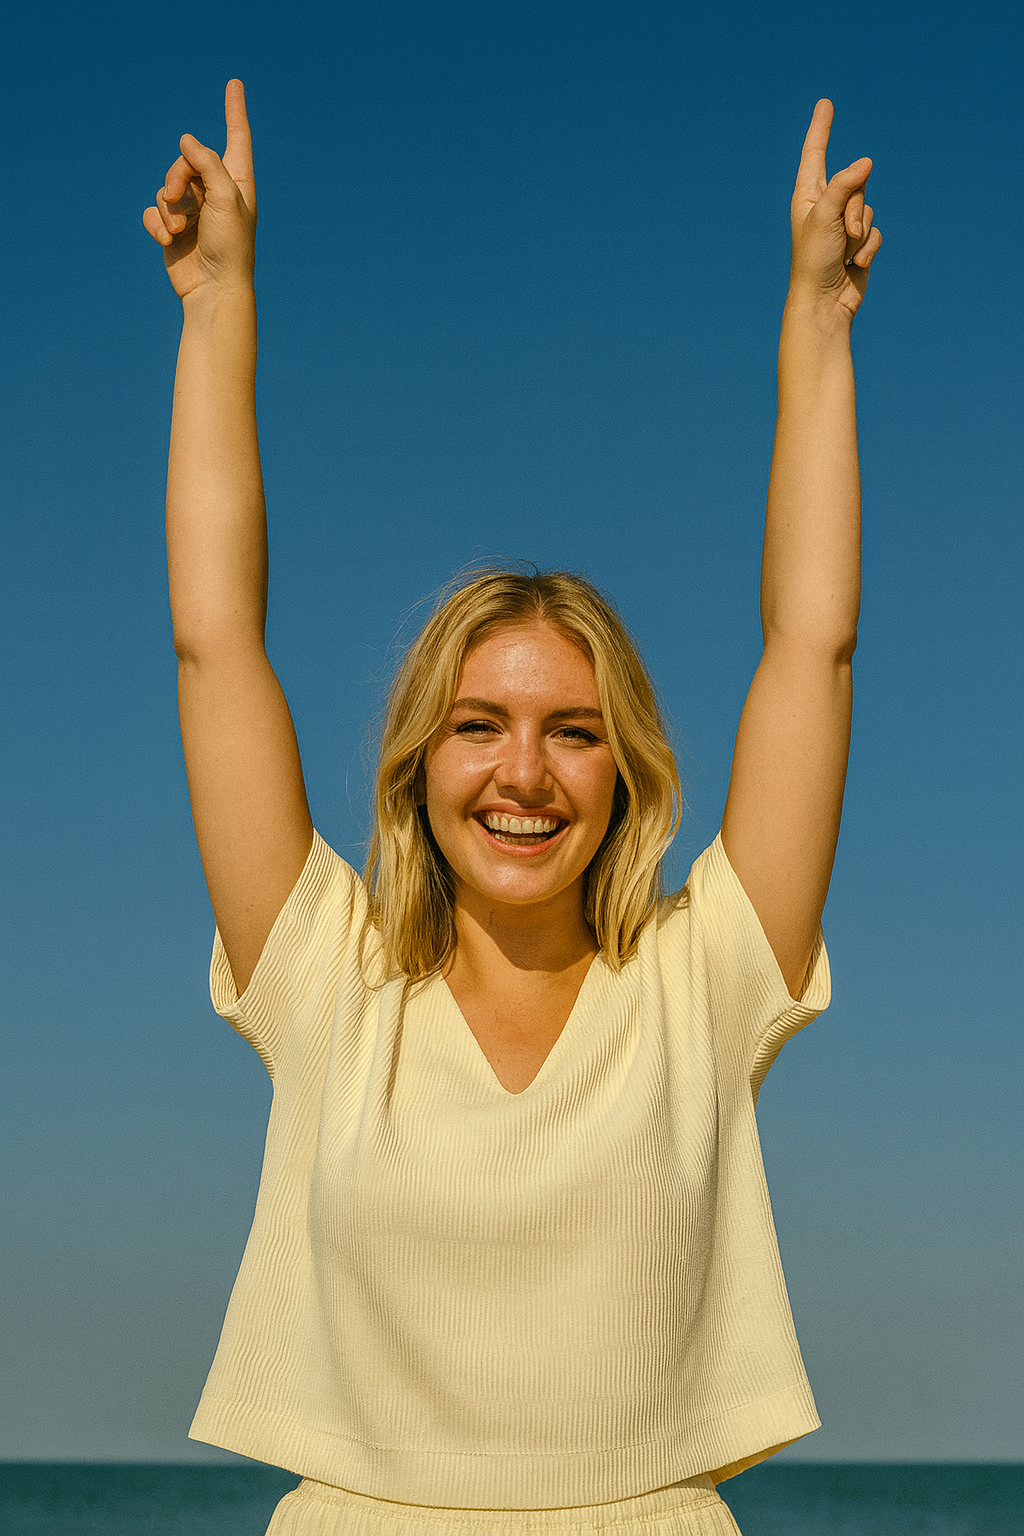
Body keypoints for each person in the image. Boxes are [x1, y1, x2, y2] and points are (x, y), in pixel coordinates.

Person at [143, 81, 880, 1536]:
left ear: (628, 775)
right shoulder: (331, 983)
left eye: (574, 735)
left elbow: (814, 643)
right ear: (420, 762)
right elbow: (215, 637)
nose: (524, 774)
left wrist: (819, 321)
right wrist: (217, 303)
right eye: (478, 728)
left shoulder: (706, 981)